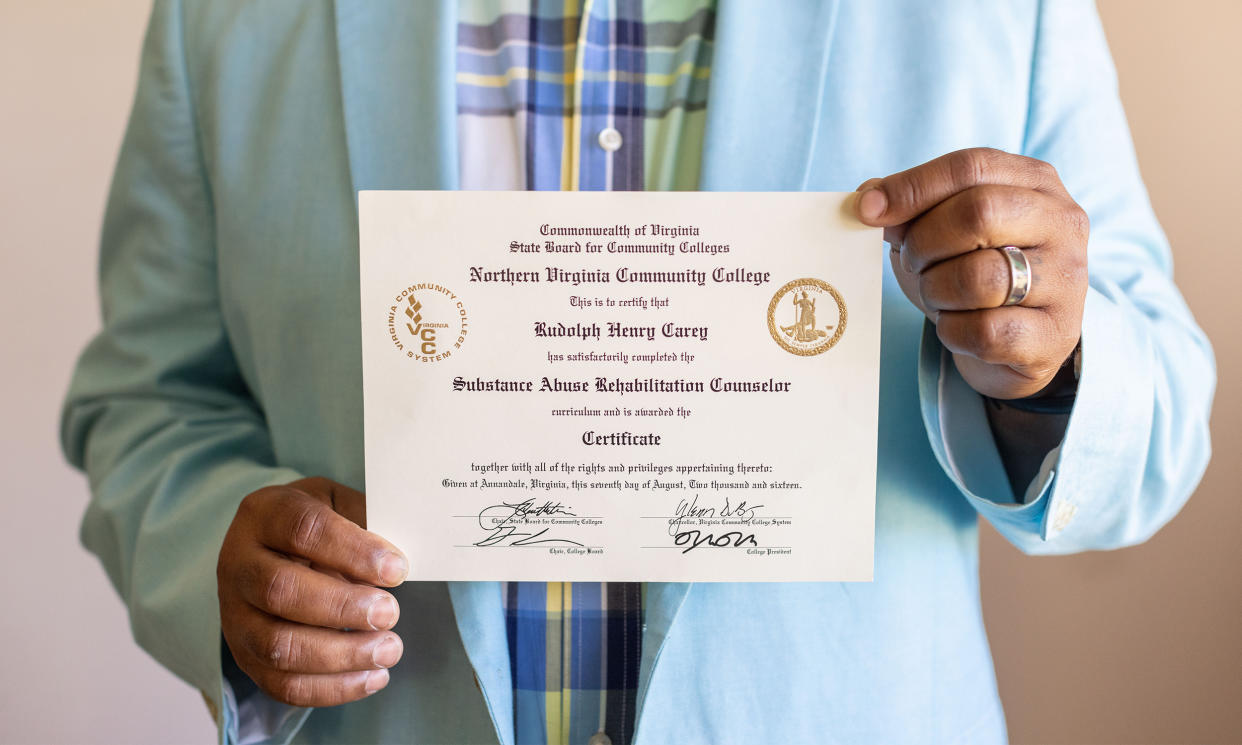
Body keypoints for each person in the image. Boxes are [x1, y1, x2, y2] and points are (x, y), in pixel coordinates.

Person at [61, 1, 1214, 743]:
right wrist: (218, 546)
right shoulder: (226, 18)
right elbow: (148, 402)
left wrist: (1049, 359)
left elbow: (1157, 422)